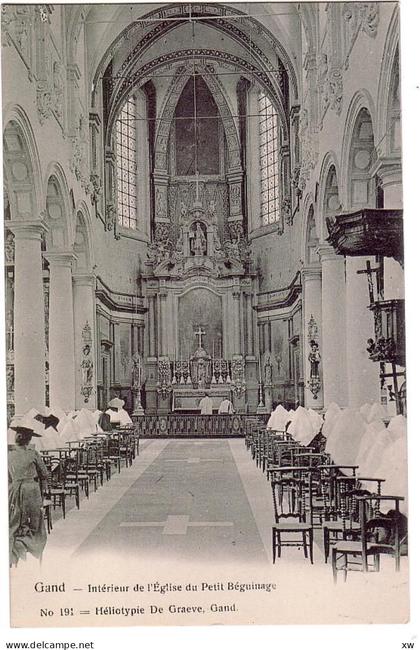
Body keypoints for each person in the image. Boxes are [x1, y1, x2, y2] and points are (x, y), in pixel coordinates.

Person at [8, 425, 49, 566]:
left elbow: (7, 477)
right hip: (31, 491)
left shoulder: (8, 454)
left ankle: (14, 552)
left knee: (13, 523)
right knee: (34, 524)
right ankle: (30, 548)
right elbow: (44, 474)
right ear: (28, 440)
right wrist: (43, 491)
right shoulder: (33, 453)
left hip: (13, 491)